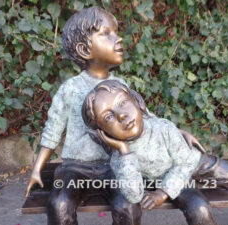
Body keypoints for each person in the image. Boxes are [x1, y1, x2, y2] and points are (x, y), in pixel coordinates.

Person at [24, 6, 203, 225]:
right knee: (59, 204)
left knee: (127, 205)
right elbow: (53, 130)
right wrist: (36, 170)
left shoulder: (120, 86)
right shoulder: (70, 88)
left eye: (116, 32)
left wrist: (178, 132)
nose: (118, 39)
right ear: (84, 49)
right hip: (75, 168)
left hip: (114, 165)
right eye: (106, 33)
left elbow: (145, 116)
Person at [82, 80, 228, 225]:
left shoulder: (162, 128)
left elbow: (185, 162)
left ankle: (205, 175)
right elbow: (133, 196)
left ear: (135, 100)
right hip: (167, 178)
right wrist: (125, 152)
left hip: (188, 161)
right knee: (199, 207)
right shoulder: (119, 157)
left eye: (122, 103)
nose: (122, 115)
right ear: (101, 132)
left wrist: (163, 193)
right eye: (108, 117)